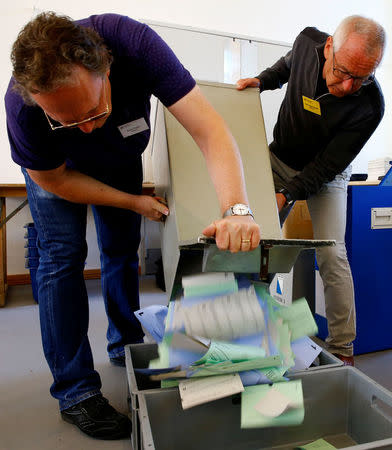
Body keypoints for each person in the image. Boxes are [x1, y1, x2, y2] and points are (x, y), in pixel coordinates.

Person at [5, 12, 261, 440]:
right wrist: (133, 201)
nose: (85, 128)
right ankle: (75, 391)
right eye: (65, 121)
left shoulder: (135, 45)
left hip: (121, 158)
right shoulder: (22, 108)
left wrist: (237, 208)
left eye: (92, 110)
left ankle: (125, 345)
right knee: (61, 259)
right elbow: (56, 180)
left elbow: (210, 131)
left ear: (107, 68)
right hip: (60, 174)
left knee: (123, 250)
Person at [237, 15, 385, 367]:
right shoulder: (307, 43)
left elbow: (326, 167)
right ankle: (246, 330)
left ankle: (343, 348)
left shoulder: (370, 106)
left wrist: (287, 194)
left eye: (362, 78)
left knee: (333, 255)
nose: (349, 86)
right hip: (279, 158)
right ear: (329, 46)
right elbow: (286, 66)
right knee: (260, 244)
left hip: (327, 172)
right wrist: (263, 80)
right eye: (343, 71)